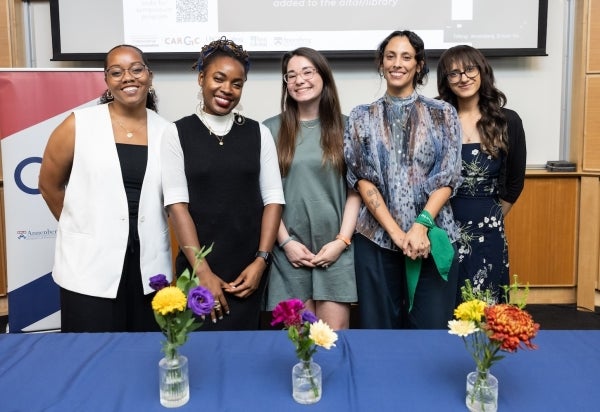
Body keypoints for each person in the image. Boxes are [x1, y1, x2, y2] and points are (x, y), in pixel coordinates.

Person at [38, 44, 173, 332]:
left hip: (147, 267)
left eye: (136, 69)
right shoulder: (78, 124)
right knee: (89, 355)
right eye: (117, 71)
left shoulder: (168, 132)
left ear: (149, 76)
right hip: (88, 267)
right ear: (107, 80)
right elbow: (49, 186)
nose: (128, 77)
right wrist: (81, 227)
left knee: (144, 353)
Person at [162, 37, 284, 331]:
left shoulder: (258, 133)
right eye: (219, 78)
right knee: (200, 355)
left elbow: (274, 201)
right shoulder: (176, 133)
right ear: (201, 77)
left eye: (237, 83)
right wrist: (202, 272)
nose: (227, 89)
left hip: (248, 274)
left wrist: (260, 262)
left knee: (246, 358)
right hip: (197, 271)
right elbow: (177, 208)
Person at [344, 30, 463, 329]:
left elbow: (448, 176)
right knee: (379, 330)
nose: (397, 63)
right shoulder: (360, 116)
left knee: (432, 329)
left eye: (406, 57)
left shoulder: (443, 113)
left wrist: (421, 225)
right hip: (376, 240)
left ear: (419, 64)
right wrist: (398, 235)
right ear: (381, 64)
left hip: (432, 237)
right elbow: (362, 180)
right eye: (390, 56)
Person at [263, 47, 360, 330]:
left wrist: (341, 241)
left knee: (333, 343)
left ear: (323, 77)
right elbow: (265, 195)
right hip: (289, 253)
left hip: (336, 250)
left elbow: (356, 191)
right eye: (291, 75)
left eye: (307, 72)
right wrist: (286, 243)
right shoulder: (268, 130)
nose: (299, 80)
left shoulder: (348, 127)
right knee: (298, 346)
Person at [437, 45, 527, 302]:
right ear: (446, 81)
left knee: (485, 306)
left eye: (469, 69)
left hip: (488, 227)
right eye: (453, 73)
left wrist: (492, 218)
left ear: (482, 71)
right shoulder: (439, 120)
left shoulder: (507, 121)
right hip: (443, 224)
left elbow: (514, 182)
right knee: (444, 304)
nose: (463, 78)